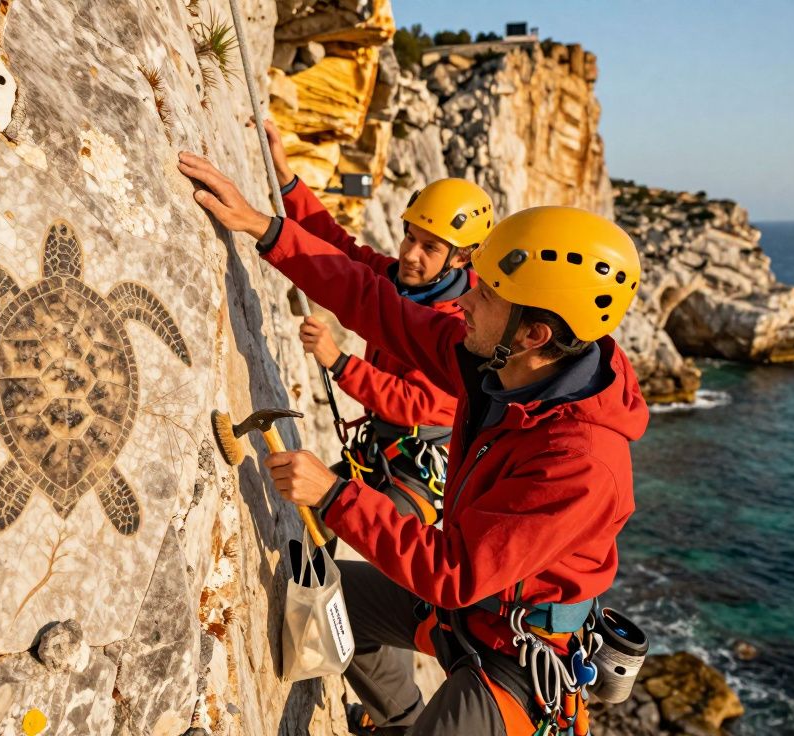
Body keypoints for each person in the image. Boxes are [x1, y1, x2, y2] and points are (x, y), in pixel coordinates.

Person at [177, 149, 649, 734]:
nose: (467, 301)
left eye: (488, 294)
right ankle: (402, 721)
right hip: (468, 612)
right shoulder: (506, 369)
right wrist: (264, 227)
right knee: (329, 599)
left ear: (533, 333)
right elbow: (378, 307)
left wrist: (334, 495)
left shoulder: (580, 464)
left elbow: (452, 572)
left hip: (515, 658)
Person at [258, 121, 495, 525]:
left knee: (369, 539)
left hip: (418, 469)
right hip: (379, 448)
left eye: (429, 247)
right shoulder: (401, 280)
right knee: (299, 519)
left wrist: (339, 362)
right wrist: (286, 178)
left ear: (461, 258)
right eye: (409, 238)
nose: (411, 254)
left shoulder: (465, 326)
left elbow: (416, 403)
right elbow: (339, 250)